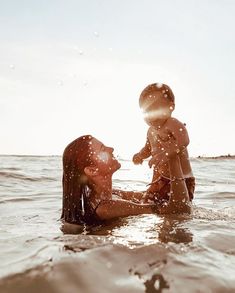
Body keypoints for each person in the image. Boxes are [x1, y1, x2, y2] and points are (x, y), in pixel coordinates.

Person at [61, 135, 191, 225]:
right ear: (92, 170)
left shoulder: (111, 195)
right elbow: (178, 210)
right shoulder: (107, 208)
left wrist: (159, 159)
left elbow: (153, 198)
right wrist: (173, 158)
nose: (111, 148)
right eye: (102, 149)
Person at [132, 83, 195, 204]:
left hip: (182, 179)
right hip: (161, 179)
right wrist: (140, 155)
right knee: (148, 203)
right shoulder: (150, 131)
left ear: (170, 107)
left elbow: (184, 140)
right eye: (147, 111)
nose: (152, 115)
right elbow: (148, 148)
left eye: (156, 109)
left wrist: (167, 153)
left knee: (176, 209)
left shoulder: (172, 123)